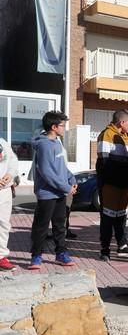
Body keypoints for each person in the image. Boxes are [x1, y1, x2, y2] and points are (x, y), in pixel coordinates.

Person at [28, 112, 77, 269]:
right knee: (41, 226)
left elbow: (62, 167)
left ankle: (61, 253)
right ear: (54, 127)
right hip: (47, 194)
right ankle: (36, 256)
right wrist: (66, 187)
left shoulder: (57, 143)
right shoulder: (44, 145)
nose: (64, 128)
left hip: (60, 193)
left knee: (60, 226)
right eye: (62, 125)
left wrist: (71, 179)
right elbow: (46, 172)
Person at [96, 109, 128, 261]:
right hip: (110, 184)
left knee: (122, 215)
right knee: (107, 217)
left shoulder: (126, 137)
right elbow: (104, 162)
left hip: (124, 184)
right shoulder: (107, 134)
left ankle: (122, 243)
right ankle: (105, 249)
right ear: (122, 122)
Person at [0, 137, 18, 271]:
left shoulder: (2, 142)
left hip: (5, 190)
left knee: (3, 224)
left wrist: (10, 174)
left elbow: (12, 160)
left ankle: (1, 256)